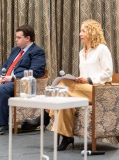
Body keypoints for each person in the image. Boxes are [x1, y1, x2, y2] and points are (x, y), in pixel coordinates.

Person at [27, 19, 113, 151]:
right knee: (64, 99)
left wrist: (89, 79)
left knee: (63, 84)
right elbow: (84, 73)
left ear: (92, 32)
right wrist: (78, 79)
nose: (80, 34)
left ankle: (45, 115)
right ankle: (67, 137)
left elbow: (108, 73)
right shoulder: (81, 52)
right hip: (83, 89)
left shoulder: (102, 49)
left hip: (98, 89)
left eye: (83, 31)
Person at [0, 24, 46, 135]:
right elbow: (5, 65)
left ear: (28, 38)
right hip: (8, 79)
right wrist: (1, 76)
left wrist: (13, 77)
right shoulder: (16, 50)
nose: (16, 40)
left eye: (19, 38)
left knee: (3, 90)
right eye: (16, 37)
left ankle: (2, 125)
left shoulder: (37, 51)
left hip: (22, 82)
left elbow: (36, 71)